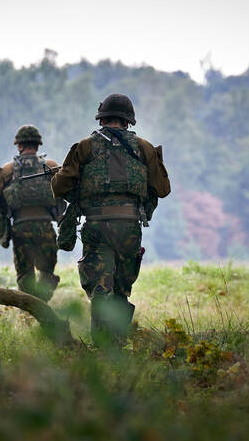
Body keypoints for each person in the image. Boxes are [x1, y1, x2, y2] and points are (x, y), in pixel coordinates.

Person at [51, 93, 170, 346]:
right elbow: (162, 188)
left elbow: (60, 187)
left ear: (102, 119)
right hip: (129, 229)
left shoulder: (85, 147)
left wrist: (65, 174)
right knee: (120, 291)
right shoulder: (144, 148)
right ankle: (118, 345)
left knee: (100, 291)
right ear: (129, 121)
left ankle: (103, 349)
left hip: (97, 228)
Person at [0, 125, 63, 302]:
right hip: (45, 226)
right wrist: (57, 212)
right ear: (37, 145)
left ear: (19, 146)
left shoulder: (7, 170)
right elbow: (64, 189)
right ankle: (43, 303)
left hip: (20, 227)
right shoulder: (51, 166)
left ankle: (28, 310)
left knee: (24, 274)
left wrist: (5, 212)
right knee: (47, 272)